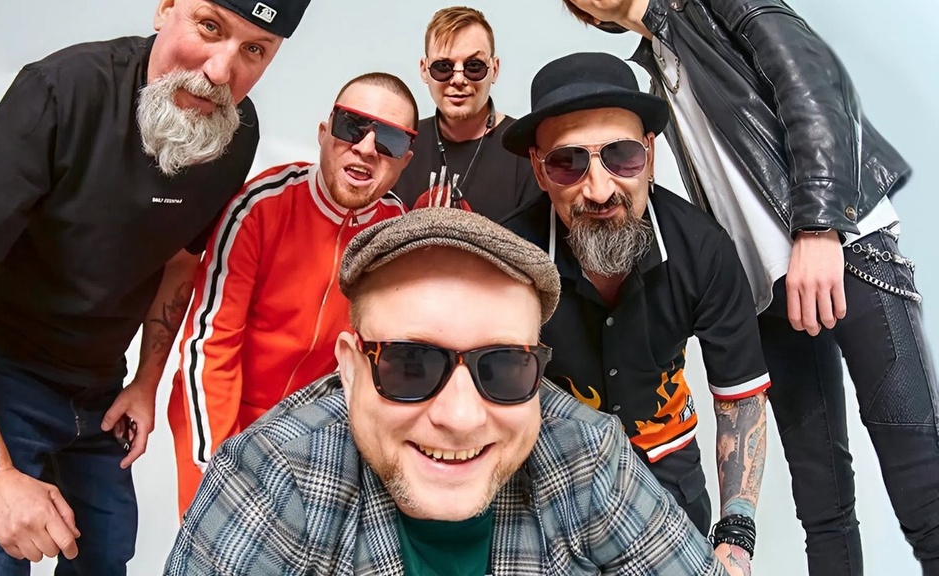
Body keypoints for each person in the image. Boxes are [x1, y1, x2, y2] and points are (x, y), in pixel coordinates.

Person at [0, 0, 309, 573]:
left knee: (106, 554)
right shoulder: (62, 90)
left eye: (254, 50)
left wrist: (146, 382)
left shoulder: (233, 130)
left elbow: (181, 263)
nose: (221, 71)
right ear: (166, 8)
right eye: (209, 27)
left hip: (101, 385)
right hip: (4, 376)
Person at [559, 1, 939, 574]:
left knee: (924, 488)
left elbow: (811, 76)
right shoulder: (659, 65)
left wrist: (819, 226)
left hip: (843, 248)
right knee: (823, 506)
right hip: (767, 287)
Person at [163, 207, 729, 575]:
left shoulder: (587, 453)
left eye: (503, 368)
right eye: (411, 366)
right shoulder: (275, 473)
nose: (460, 417)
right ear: (349, 369)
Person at [501, 52, 770, 575]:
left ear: (649, 153)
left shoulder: (704, 251)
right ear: (538, 169)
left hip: (669, 485)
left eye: (621, 157)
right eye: (567, 163)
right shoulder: (507, 259)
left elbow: (740, 397)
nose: (599, 190)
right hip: (546, 488)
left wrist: (736, 540)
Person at [168, 72, 413, 515]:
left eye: (390, 140)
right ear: (323, 132)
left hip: (317, 435)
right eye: (352, 126)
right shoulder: (260, 206)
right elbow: (210, 344)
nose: (365, 148)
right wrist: (218, 472)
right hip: (225, 417)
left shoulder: (398, 230)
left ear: (404, 161)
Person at [391, 6, 542, 221]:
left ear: (494, 69)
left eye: (474, 66)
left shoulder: (525, 149)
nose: (459, 79)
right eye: (443, 67)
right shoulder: (401, 143)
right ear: (424, 70)